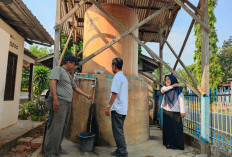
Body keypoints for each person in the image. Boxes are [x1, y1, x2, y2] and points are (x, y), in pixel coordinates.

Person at [44, 55, 92, 157]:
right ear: (69, 62)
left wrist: (86, 95)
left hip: (67, 103)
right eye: (74, 64)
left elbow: (75, 88)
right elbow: (52, 82)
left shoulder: (68, 75)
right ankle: (51, 153)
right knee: (56, 127)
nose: (74, 67)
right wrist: (55, 99)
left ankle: (58, 148)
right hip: (60, 102)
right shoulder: (58, 70)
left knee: (63, 127)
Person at [105, 58, 128, 157]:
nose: (111, 67)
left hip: (117, 109)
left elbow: (114, 93)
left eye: (112, 65)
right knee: (119, 131)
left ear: (114, 66)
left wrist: (108, 106)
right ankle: (119, 150)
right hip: (122, 109)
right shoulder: (123, 77)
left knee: (118, 132)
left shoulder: (117, 77)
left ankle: (123, 152)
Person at [161, 74, 186, 150]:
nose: (167, 81)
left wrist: (182, 112)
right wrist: (172, 86)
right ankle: (168, 143)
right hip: (166, 111)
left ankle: (177, 145)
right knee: (167, 129)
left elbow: (181, 101)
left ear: (172, 80)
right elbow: (162, 90)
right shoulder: (166, 88)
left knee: (176, 129)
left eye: (169, 79)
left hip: (175, 112)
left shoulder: (179, 90)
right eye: (166, 79)